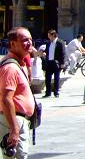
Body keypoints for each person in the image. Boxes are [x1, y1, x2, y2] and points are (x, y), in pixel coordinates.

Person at [0, 27, 36, 158]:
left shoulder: (17, 64)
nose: (30, 43)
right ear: (13, 44)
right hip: (13, 121)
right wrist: (14, 130)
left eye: (31, 40)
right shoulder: (10, 68)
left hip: (17, 121)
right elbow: (6, 99)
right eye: (25, 40)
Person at [43, 29, 66, 98]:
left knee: (56, 78)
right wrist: (44, 53)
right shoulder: (48, 43)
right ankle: (48, 93)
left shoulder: (60, 42)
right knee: (47, 78)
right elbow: (47, 51)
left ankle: (56, 92)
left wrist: (62, 63)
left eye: (49, 35)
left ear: (53, 35)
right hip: (49, 62)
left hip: (56, 62)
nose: (48, 37)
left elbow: (63, 53)